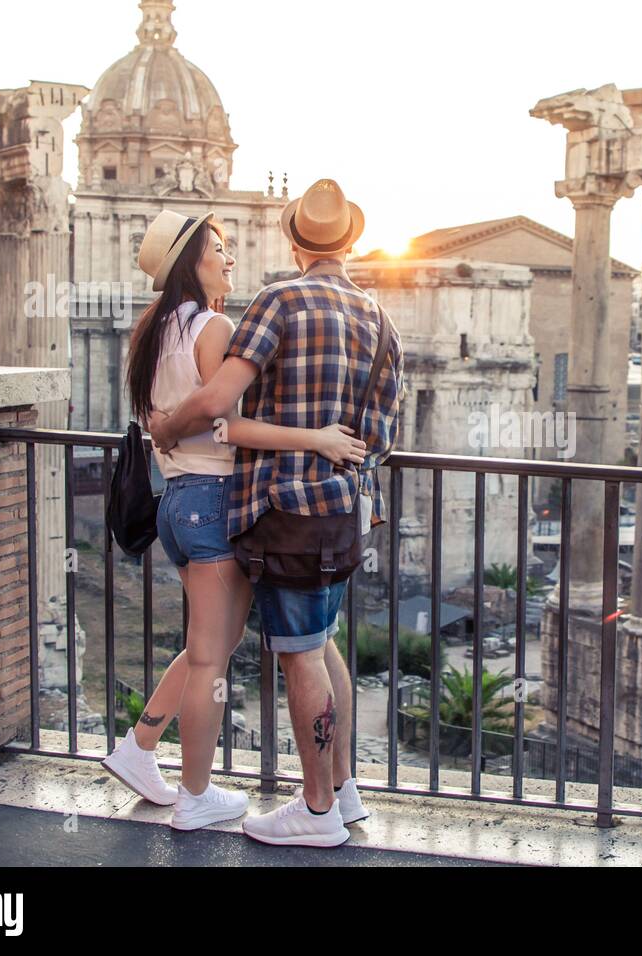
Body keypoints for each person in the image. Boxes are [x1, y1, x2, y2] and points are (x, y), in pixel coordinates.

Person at [150, 179, 403, 848]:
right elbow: (380, 438)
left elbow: (217, 400)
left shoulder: (278, 301)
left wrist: (167, 427)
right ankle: (343, 792)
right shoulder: (380, 318)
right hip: (346, 510)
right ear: (350, 241)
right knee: (322, 646)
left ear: (294, 241)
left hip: (284, 509)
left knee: (299, 658)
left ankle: (315, 811)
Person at [102, 209, 368, 833]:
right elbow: (226, 421)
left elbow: (171, 418)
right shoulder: (214, 325)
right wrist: (318, 437)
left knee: (205, 647)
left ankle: (138, 750)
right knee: (210, 662)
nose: (229, 257)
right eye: (217, 249)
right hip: (218, 500)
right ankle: (195, 797)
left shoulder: (152, 329)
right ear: (189, 264)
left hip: (176, 501)